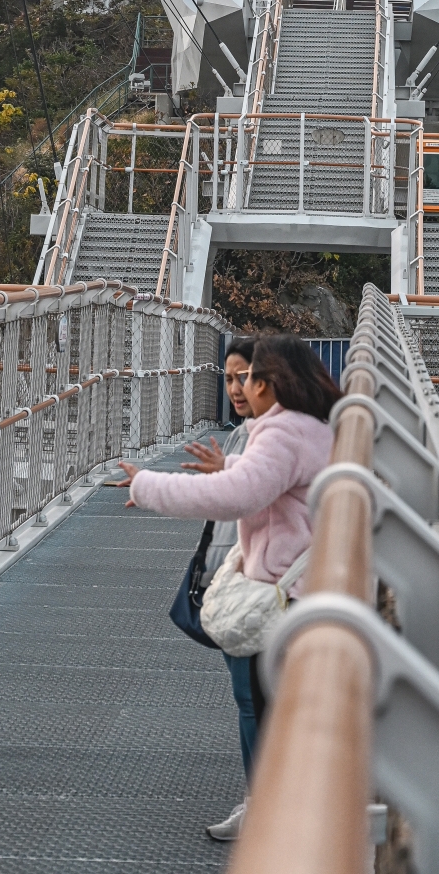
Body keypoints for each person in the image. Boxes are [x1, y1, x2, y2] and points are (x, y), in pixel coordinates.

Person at [118, 335, 341, 840]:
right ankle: (271, 808)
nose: (241, 387)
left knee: (260, 706)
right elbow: (280, 481)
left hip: (282, 598)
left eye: (249, 378)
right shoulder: (311, 428)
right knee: (274, 709)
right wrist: (235, 465)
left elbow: (237, 498)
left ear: (268, 383)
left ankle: (268, 819)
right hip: (307, 590)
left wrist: (146, 485)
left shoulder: (282, 432)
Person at [180, 337, 257, 819]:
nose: (235, 388)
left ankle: (263, 806)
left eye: (245, 377)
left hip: (252, 582)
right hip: (235, 577)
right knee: (248, 696)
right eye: (228, 378)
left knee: (251, 697)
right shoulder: (240, 432)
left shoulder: (266, 437)